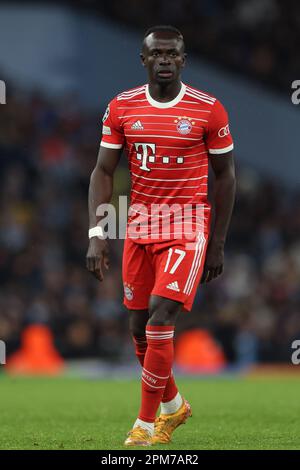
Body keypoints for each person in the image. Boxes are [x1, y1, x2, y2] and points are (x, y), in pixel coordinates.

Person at [86, 25, 236, 446]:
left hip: (188, 225)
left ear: (183, 60)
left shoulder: (209, 110)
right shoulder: (121, 107)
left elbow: (225, 177)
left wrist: (217, 241)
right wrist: (98, 233)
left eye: (173, 54)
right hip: (139, 226)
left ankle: (146, 425)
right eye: (157, 54)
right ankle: (174, 406)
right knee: (138, 327)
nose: (165, 60)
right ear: (144, 60)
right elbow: (102, 171)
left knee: (160, 314)